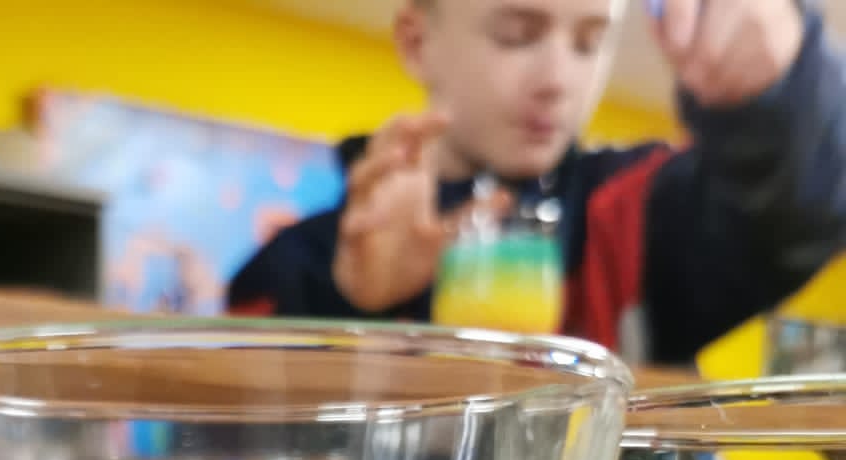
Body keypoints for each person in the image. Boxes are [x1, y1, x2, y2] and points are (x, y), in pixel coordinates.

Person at [227, 0, 846, 364]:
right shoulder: (294, 266)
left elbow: (804, 207)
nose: (558, 81)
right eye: (517, 35)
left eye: (589, 43)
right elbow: (238, 455)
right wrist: (344, 307)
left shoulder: (630, 214)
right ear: (417, 43)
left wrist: (782, 90)